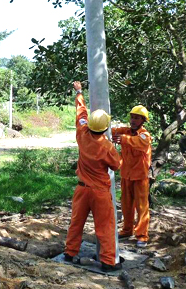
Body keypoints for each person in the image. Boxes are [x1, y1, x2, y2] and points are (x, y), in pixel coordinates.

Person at [64, 81, 122, 272]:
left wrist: (79, 92)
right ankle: (107, 261)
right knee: (104, 227)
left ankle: (70, 253)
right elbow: (117, 165)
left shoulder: (82, 133)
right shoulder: (106, 147)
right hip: (99, 192)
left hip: (81, 189)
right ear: (105, 127)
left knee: (76, 222)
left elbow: (81, 113)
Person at [112, 105, 151, 248]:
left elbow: (139, 143)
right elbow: (112, 131)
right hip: (126, 175)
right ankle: (127, 230)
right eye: (132, 117)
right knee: (126, 205)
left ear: (142, 120)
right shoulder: (126, 131)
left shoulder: (144, 135)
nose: (133, 120)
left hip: (140, 177)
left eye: (137, 118)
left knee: (142, 207)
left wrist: (122, 139)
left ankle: (142, 235)